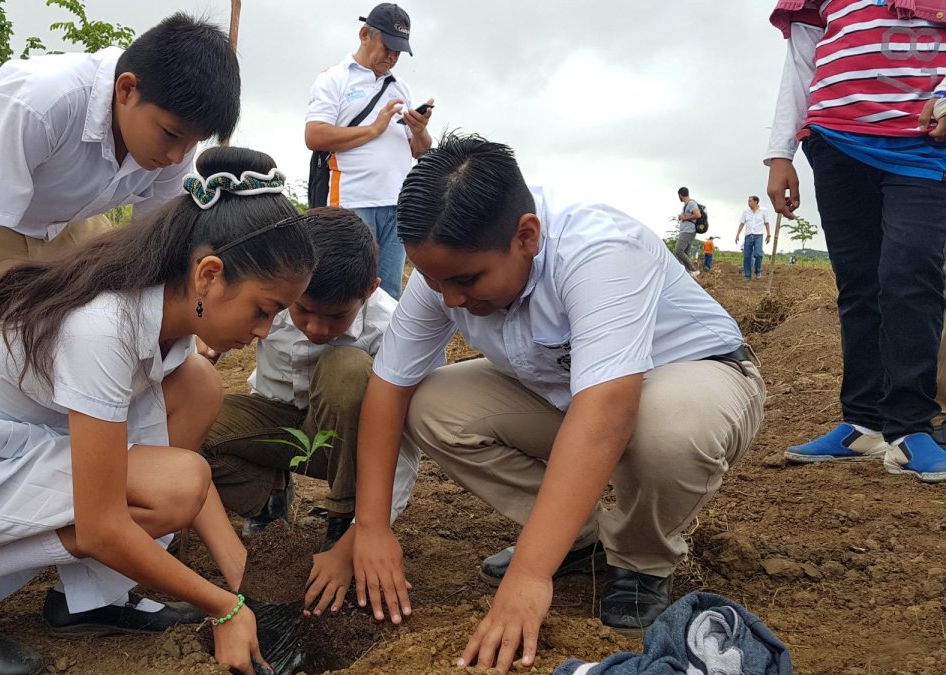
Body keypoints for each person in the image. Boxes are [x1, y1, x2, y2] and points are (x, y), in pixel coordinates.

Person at [0, 147, 311, 675]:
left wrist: (240, 576)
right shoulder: (103, 327)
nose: (262, 332)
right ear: (209, 275)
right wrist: (224, 607)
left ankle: (96, 593)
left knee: (199, 386)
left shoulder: (161, 307)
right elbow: (107, 521)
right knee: (173, 485)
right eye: (265, 309)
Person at [349, 134, 765, 674]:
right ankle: (581, 540)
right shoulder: (449, 271)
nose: (448, 298)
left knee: (666, 429)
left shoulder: (598, 249)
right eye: (432, 279)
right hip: (569, 392)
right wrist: (371, 527)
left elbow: (606, 417)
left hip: (695, 375)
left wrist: (528, 573)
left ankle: (640, 559)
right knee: (430, 405)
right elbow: (388, 389)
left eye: (465, 280)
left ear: (527, 236)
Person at [0, 12, 240, 334]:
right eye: (170, 135)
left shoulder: (177, 139)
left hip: (62, 215)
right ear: (126, 90)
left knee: (83, 336)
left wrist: (179, 328)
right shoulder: (40, 98)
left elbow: (154, 245)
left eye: (191, 143)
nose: (176, 156)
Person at [767, 0, 946, 482]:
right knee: (859, 284)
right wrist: (780, 153)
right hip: (837, 142)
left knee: (910, 273)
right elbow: (802, 64)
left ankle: (911, 428)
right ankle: (864, 421)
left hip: (924, 144)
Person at [199, 207, 419, 554]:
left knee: (346, 368)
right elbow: (207, 321)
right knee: (188, 427)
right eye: (303, 310)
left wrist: (365, 531)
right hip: (273, 427)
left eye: (336, 316)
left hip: (347, 445)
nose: (317, 328)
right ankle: (267, 500)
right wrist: (203, 346)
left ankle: (343, 515)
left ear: (370, 290)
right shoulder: (271, 297)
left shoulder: (391, 328)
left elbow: (403, 445)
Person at [304, 2, 433, 299]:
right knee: (346, 285)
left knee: (388, 292)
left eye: (399, 51)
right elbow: (314, 135)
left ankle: (383, 347)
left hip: (396, 202)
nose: (392, 57)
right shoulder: (334, 79)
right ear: (365, 34)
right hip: (352, 199)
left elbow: (420, 151)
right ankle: (340, 345)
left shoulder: (401, 87)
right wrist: (375, 129)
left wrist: (419, 129)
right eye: (388, 46)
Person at [735, 196, 771, 281]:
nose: (748, 203)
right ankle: (747, 276)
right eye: (748, 201)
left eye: (750, 201)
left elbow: (767, 223)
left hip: (758, 236)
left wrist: (769, 234)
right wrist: (737, 234)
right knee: (747, 257)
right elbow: (742, 223)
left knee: (758, 254)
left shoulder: (764, 211)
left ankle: (758, 271)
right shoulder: (745, 212)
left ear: (756, 202)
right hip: (748, 236)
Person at [674, 187, 701, 277]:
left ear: (680, 195)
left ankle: (693, 269)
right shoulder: (687, 204)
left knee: (678, 251)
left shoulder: (691, 203)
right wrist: (682, 217)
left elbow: (698, 214)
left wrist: (684, 218)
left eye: (679, 196)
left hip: (687, 232)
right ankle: (686, 275)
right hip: (687, 231)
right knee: (685, 254)